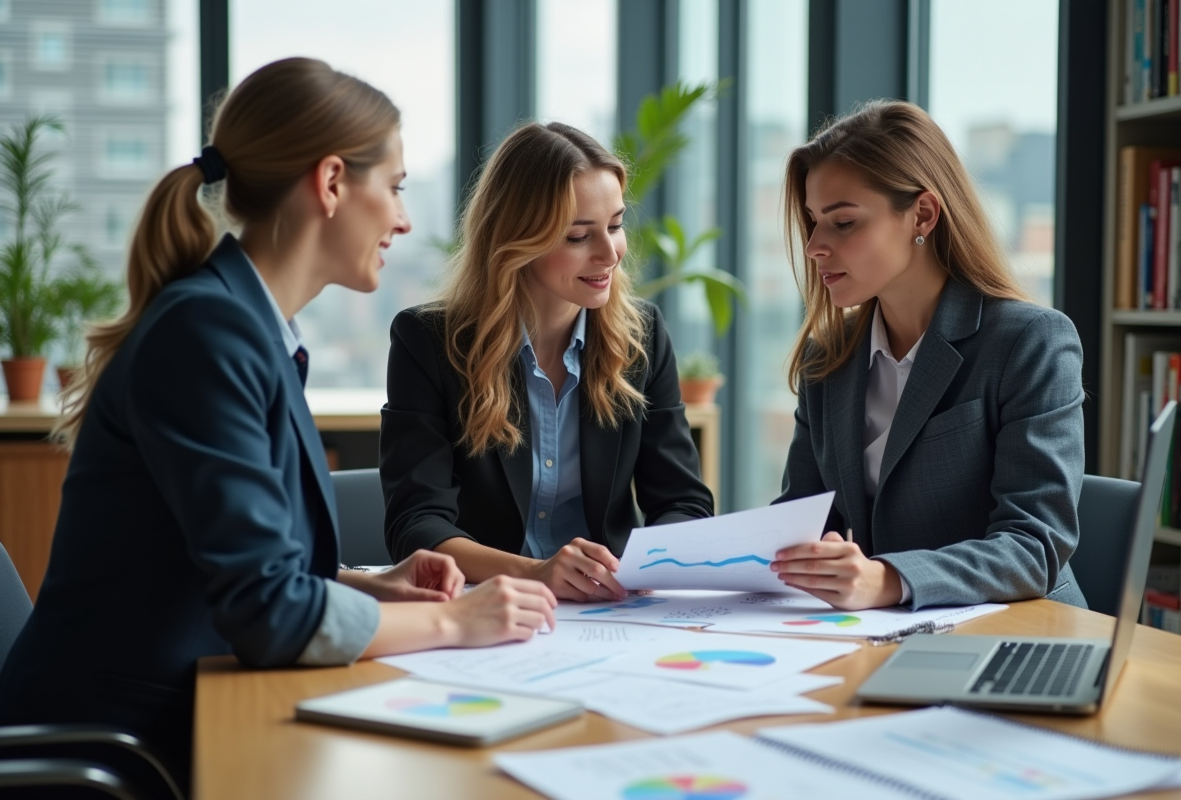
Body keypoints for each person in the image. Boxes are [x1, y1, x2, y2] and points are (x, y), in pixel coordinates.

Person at [0, 58, 555, 789]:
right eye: (393, 188)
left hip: (174, 713)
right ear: (330, 183)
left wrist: (373, 587)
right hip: (117, 748)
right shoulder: (207, 333)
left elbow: (248, 573)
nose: (404, 219)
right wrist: (458, 621)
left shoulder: (247, 327)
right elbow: (270, 616)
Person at [769, 100, 1087, 612]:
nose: (814, 247)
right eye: (812, 222)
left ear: (922, 214)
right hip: (883, 634)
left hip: (1018, 636)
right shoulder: (826, 359)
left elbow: (1035, 545)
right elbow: (804, 519)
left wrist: (888, 580)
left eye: (843, 223)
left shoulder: (1031, 342)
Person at [380, 121, 713, 603]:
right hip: (487, 605)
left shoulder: (642, 336)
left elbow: (683, 502)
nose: (609, 254)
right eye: (578, 236)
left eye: (616, 226)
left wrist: (648, 565)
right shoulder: (429, 341)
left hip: (614, 609)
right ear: (517, 240)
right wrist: (535, 572)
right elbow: (416, 523)